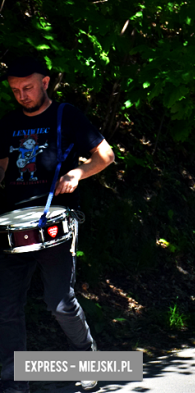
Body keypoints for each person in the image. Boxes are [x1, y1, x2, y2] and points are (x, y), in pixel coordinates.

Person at [0, 57, 115, 393]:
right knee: (5, 304)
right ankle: (12, 379)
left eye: (28, 87)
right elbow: (3, 167)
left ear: (45, 82)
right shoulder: (7, 123)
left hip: (55, 221)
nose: (22, 95)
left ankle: (87, 360)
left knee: (59, 302)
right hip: (11, 225)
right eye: (15, 90)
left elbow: (105, 155)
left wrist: (78, 173)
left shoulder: (67, 115)